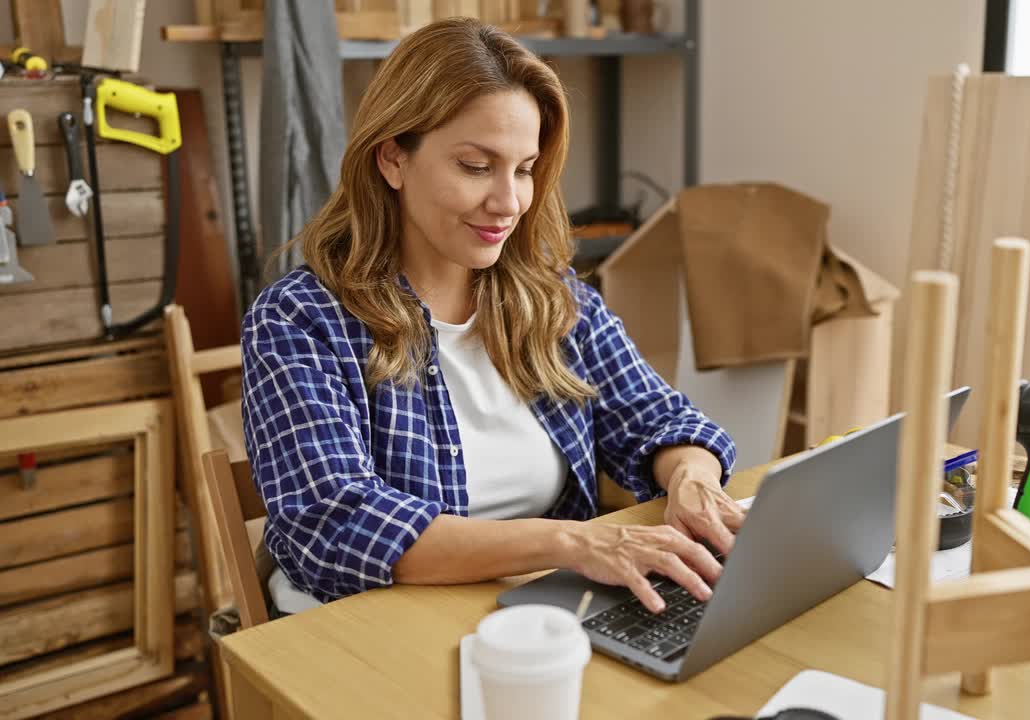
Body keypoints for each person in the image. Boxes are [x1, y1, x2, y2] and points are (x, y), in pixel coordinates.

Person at [241, 18, 744, 617]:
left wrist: (692, 480)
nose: (508, 203)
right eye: (476, 166)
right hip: (363, 629)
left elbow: (659, 418)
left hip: (530, 615)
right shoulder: (299, 320)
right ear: (393, 160)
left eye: (525, 169)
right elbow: (337, 526)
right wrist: (572, 542)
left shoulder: (552, 299)